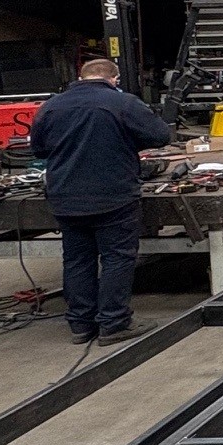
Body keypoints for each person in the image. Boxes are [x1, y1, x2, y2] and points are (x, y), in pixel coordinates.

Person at [29, 57, 172, 347]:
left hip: (65, 196)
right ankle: (114, 322)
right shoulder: (123, 103)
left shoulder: (50, 107)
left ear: (81, 78)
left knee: (76, 259)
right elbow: (160, 136)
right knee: (116, 257)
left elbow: (39, 149)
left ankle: (80, 324)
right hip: (113, 196)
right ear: (114, 79)